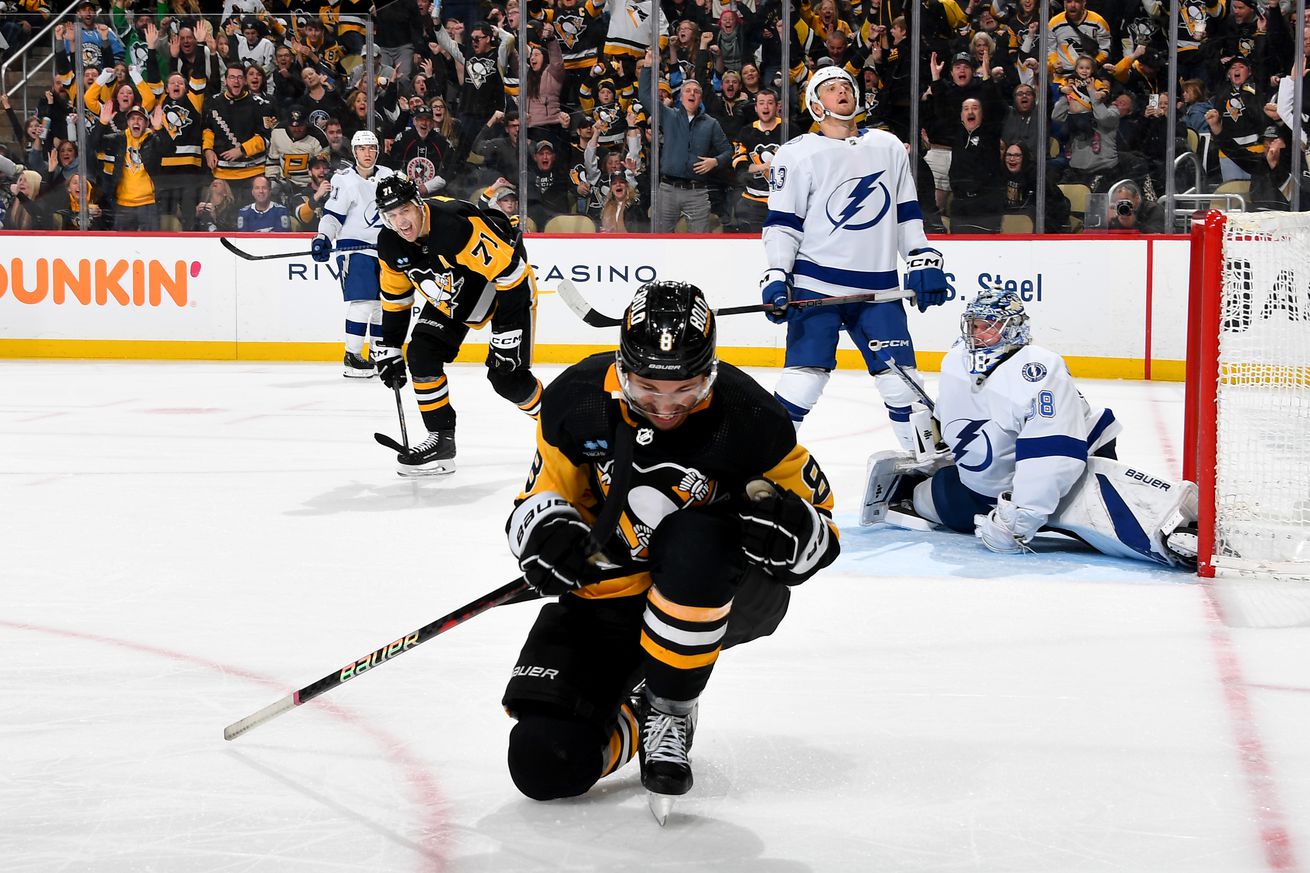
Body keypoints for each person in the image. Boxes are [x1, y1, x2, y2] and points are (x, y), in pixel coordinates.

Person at [501, 280, 840, 819]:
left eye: (685, 390)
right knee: (543, 765)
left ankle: (671, 705)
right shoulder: (579, 398)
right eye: (648, 388)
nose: (666, 407)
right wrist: (545, 532)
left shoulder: (751, 417)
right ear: (621, 368)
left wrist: (794, 532)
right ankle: (639, 712)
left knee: (696, 538)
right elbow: (541, 493)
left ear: (710, 370)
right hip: (611, 593)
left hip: (721, 590)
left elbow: (820, 530)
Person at [861, 288, 1199, 568]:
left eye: (987, 326)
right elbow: (962, 422)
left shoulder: (1037, 370)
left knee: (1088, 518)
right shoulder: (955, 359)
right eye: (973, 325)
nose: (976, 334)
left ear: (1012, 329)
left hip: (1078, 458)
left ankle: (1170, 527)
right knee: (925, 500)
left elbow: (1052, 454)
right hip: (993, 483)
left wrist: (1021, 519)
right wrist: (939, 447)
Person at [759, 66, 949, 459]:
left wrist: (922, 258)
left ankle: (930, 467)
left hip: (879, 290)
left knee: (903, 384)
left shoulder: (888, 146)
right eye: (830, 88)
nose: (841, 90)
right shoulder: (796, 154)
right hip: (816, 288)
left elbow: (907, 213)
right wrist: (776, 275)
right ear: (815, 104)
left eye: (846, 85)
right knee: (802, 381)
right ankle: (761, 461)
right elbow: (782, 225)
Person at [372, 175, 544, 475]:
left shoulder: (453, 226)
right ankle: (441, 440)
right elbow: (396, 299)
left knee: (507, 378)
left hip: (505, 284)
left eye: (404, 211)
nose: (400, 222)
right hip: (457, 286)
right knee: (421, 355)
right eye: (392, 215)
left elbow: (512, 274)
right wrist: (390, 345)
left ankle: (564, 426)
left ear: (418, 204)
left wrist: (507, 333)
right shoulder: (389, 243)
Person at [313, 130, 399, 378]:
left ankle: (377, 352)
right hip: (355, 248)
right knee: (363, 302)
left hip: (384, 249)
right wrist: (323, 237)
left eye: (372, 148)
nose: (368, 153)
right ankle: (352, 356)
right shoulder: (344, 180)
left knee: (384, 303)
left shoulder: (388, 176)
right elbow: (333, 216)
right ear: (355, 152)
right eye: (362, 149)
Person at [636, 50, 732, 233]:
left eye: (696, 91)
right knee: (660, 240)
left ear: (700, 99)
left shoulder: (711, 123)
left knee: (700, 244)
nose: (692, 93)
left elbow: (728, 152)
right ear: (680, 97)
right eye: (687, 90)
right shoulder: (668, 116)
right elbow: (645, 97)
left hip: (697, 192)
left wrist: (716, 161)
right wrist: (648, 67)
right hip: (667, 190)